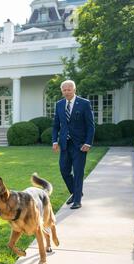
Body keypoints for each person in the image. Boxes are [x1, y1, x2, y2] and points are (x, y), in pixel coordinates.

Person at [52, 80, 95, 209]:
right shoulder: (59, 104)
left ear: (74, 90)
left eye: (69, 89)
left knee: (78, 172)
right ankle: (76, 192)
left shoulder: (84, 103)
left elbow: (91, 126)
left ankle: (77, 200)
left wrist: (88, 143)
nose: (66, 92)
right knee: (64, 170)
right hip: (65, 144)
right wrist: (55, 141)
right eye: (64, 90)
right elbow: (55, 126)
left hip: (80, 145)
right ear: (62, 91)